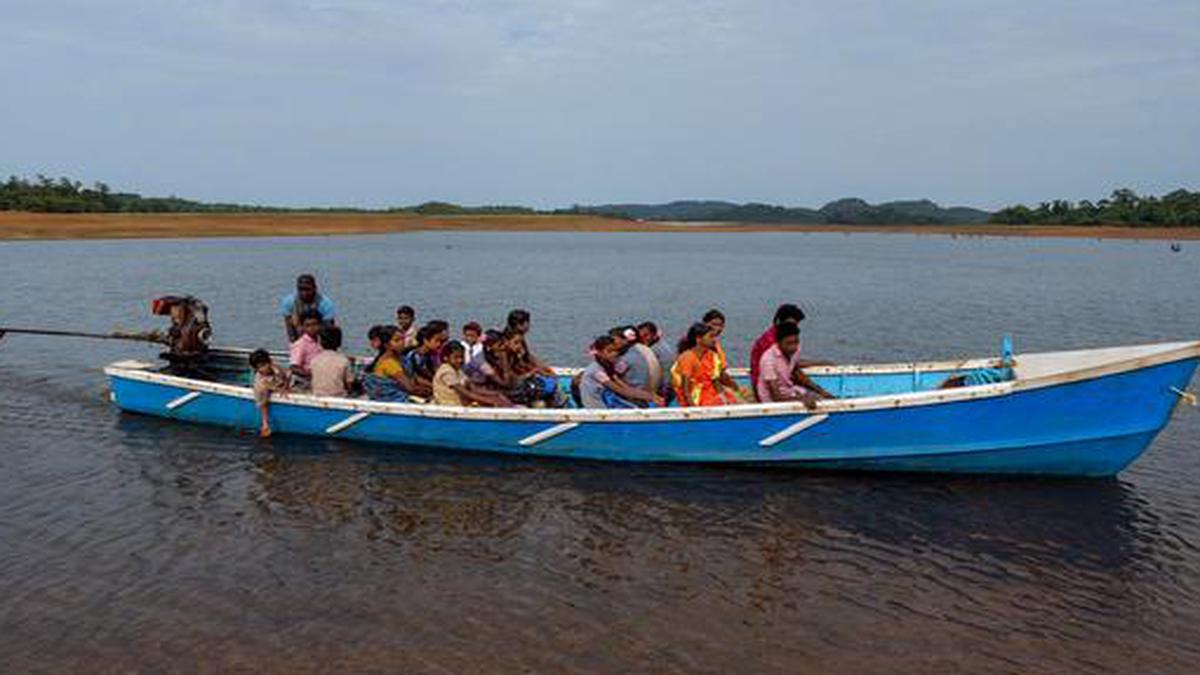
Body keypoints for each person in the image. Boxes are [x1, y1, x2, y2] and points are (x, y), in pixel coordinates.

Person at [749, 303, 831, 400]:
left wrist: (820, 390)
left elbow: (793, 367)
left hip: (783, 384)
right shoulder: (770, 347)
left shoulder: (790, 343)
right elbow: (775, 393)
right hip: (768, 385)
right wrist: (801, 398)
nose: (793, 326)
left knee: (817, 397)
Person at [756, 322, 834, 408]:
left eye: (796, 342)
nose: (793, 347)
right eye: (789, 343)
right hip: (771, 401)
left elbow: (797, 372)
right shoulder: (768, 359)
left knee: (824, 398)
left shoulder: (794, 351)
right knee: (814, 402)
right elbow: (776, 397)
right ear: (778, 343)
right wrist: (801, 399)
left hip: (789, 390)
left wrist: (821, 391)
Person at [580, 335, 664, 409]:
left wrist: (652, 396)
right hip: (598, 409)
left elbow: (626, 388)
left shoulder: (608, 368)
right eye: (609, 351)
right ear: (600, 353)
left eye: (615, 350)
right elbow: (621, 391)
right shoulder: (596, 371)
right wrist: (650, 397)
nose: (614, 354)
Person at [672, 322, 744, 407]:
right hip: (694, 396)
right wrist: (694, 409)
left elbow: (715, 382)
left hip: (708, 393)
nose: (714, 340)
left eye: (714, 337)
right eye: (710, 337)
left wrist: (723, 398)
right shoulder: (687, 357)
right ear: (698, 339)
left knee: (732, 400)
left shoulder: (712, 356)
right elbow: (686, 390)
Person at [432, 342, 510, 407]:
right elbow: (466, 393)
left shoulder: (458, 370)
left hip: (461, 404)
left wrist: (495, 394)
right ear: (446, 358)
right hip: (449, 405)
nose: (460, 360)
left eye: (461, 357)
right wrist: (491, 401)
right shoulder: (446, 371)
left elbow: (473, 388)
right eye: (456, 357)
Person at [700, 309, 748, 401]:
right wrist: (734, 390)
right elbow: (716, 376)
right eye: (714, 324)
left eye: (720, 325)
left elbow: (720, 373)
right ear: (704, 324)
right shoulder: (702, 346)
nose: (717, 328)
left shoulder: (714, 343)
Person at [363, 326, 415, 402]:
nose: (402, 343)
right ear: (387, 344)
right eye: (397, 340)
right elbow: (410, 388)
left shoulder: (399, 359)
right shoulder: (389, 363)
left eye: (403, 339)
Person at [280, 274, 336, 342]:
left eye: (307, 289)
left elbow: (329, 329)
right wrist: (294, 344)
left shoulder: (326, 304)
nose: (304, 293)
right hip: (299, 333)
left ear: (315, 288)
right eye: (301, 289)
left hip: (320, 333)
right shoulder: (288, 302)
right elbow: (289, 328)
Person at [611, 325, 662, 396]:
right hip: (652, 390)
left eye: (613, 340)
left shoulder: (626, 358)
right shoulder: (645, 349)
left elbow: (614, 374)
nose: (611, 344)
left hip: (638, 394)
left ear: (625, 340)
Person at [250, 349, 290, 437]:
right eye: (260, 366)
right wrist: (265, 424)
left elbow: (287, 375)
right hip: (268, 388)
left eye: (265, 364)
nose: (265, 368)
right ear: (256, 369)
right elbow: (263, 404)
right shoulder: (260, 382)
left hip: (282, 384)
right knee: (262, 391)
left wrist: (285, 387)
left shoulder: (275, 368)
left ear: (270, 362)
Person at [310, 326, 354, 398]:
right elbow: (349, 386)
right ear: (339, 343)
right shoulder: (343, 361)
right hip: (338, 398)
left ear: (320, 342)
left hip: (318, 396)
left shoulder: (314, 360)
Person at [402, 325, 442, 398]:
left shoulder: (428, 356)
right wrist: (435, 385)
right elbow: (414, 377)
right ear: (425, 340)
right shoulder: (412, 356)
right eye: (436, 341)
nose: (439, 344)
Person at [288, 310, 324, 384]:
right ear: (303, 327)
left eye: (315, 324)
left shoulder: (323, 341)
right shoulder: (300, 344)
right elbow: (294, 367)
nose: (312, 328)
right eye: (308, 325)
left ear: (320, 324)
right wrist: (311, 374)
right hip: (306, 380)